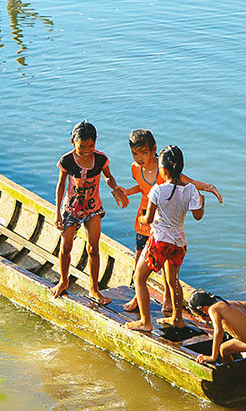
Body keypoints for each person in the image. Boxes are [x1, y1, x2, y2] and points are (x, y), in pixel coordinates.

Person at [118, 129, 222, 310]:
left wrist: (208, 187)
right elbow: (143, 188)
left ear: (153, 150)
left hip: (160, 228)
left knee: (168, 268)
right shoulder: (135, 169)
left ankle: (167, 298)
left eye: (144, 153)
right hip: (144, 225)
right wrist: (127, 192)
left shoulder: (165, 168)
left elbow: (187, 182)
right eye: (135, 154)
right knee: (139, 263)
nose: (139, 158)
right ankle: (138, 297)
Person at [123, 145, 203, 333]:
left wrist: (142, 217)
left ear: (163, 169)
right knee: (173, 280)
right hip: (179, 243)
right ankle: (177, 318)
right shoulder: (190, 189)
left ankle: (145, 322)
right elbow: (198, 215)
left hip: (159, 242)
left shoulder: (157, 191)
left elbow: (149, 219)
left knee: (139, 277)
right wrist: (202, 200)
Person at [49, 120, 127, 305]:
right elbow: (61, 186)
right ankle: (63, 281)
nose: (86, 150)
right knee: (66, 247)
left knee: (93, 248)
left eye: (90, 146)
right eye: (82, 146)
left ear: (95, 143)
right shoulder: (67, 160)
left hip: (93, 209)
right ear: (72, 142)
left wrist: (115, 188)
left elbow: (108, 176)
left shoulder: (100, 159)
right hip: (71, 209)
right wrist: (57, 213)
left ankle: (94, 288)